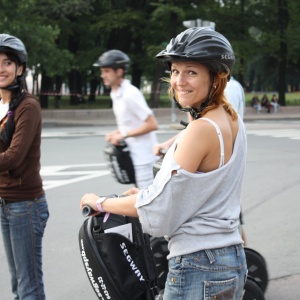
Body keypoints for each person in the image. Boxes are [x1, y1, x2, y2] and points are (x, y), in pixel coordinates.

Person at [81, 27, 247, 299]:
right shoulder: (230, 118)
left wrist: (100, 203)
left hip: (198, 265)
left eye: (191, 71)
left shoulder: (201, 129)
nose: (179, 81)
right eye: (175, 70)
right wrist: (145, 193)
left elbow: (158, 214)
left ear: (216, 77)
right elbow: (202, 190)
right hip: (230, 258)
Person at [0, 34, 49, 299]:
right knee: (18, 283)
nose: (1, 69)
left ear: (20, 68)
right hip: (6, 202)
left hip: (26, 206)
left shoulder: (28, 106)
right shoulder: (1, 105)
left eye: (7, 62)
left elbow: (14, 157)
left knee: (29, 286)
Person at [93, 50, 158, 189]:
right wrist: (116, 133)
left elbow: (152, 124)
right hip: (132, 156)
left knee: (146, 203)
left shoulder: (130, 94)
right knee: (139, 200)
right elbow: (128, 123)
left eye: (106, 71)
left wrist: (124, 135)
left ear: (119, 71)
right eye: (102, 71)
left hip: (144, 159)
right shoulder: (115, 93)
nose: (102, 75)